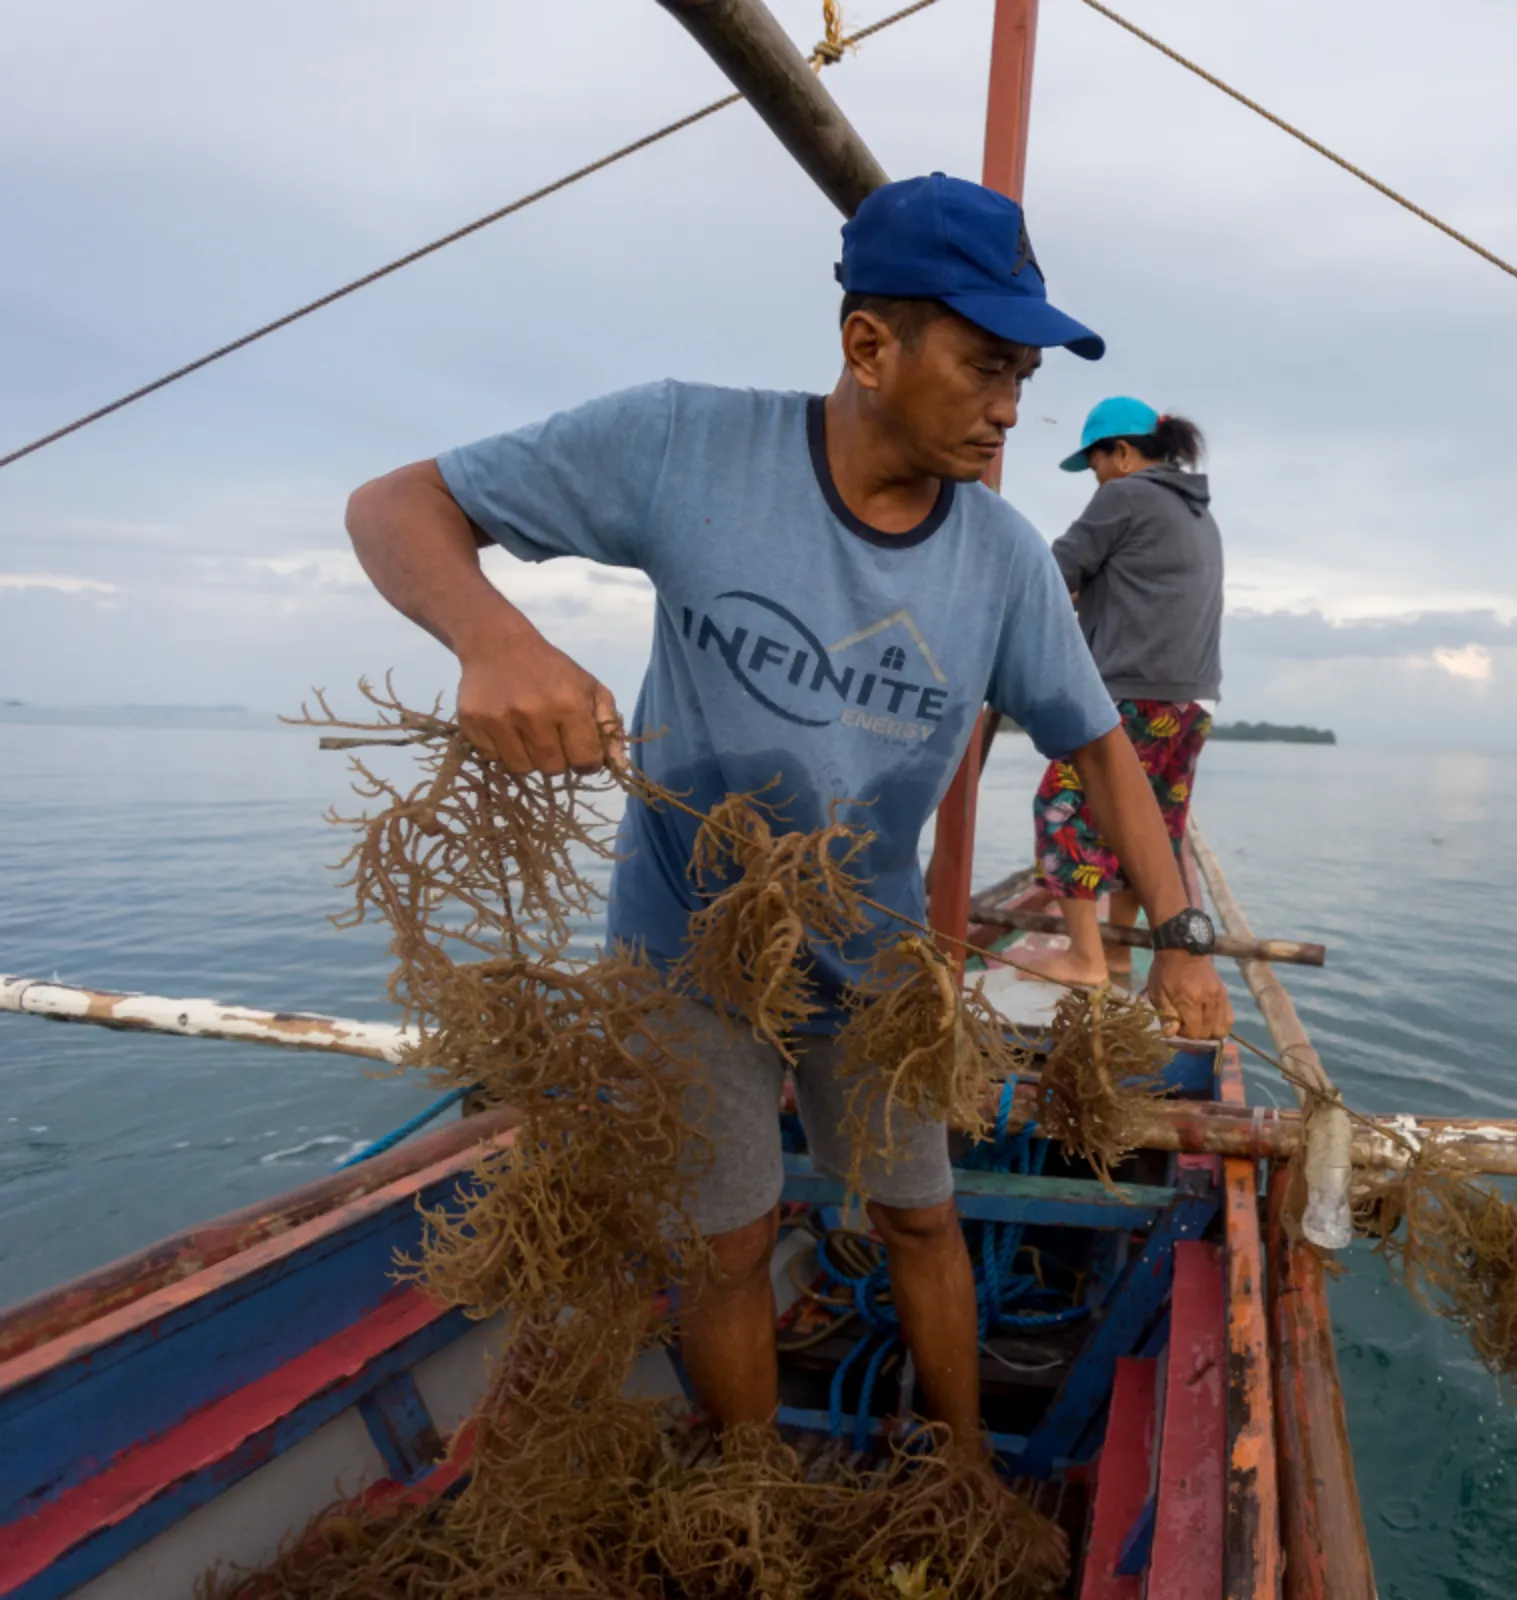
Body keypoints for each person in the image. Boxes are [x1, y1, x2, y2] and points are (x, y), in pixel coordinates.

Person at [341, 175, 1233, 1492]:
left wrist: (1182, 938)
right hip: (683, 945)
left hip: (869, 961)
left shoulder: (1000, 556)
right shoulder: (681, 445)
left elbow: (1098, 745)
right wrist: (496, 639)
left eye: (1026, 376)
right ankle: (747, 1499)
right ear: (868, 347)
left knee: (923, 1215)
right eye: (987, 365)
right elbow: (395, 505)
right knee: (729, 1241)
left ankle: (961, 1476)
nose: (1007, 408)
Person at [1018, 396, 1224, 990]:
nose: (1095, 476)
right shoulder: (1195, 513)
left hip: (1131, 690)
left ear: (1125, 453)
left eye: (1097, 461)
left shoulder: (1125, 495)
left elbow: (1053, 572)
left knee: (1063, 809)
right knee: (1153, 821)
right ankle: (1114, 953)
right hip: (1192, 698)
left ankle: (1082, 959)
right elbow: (1146, 589)